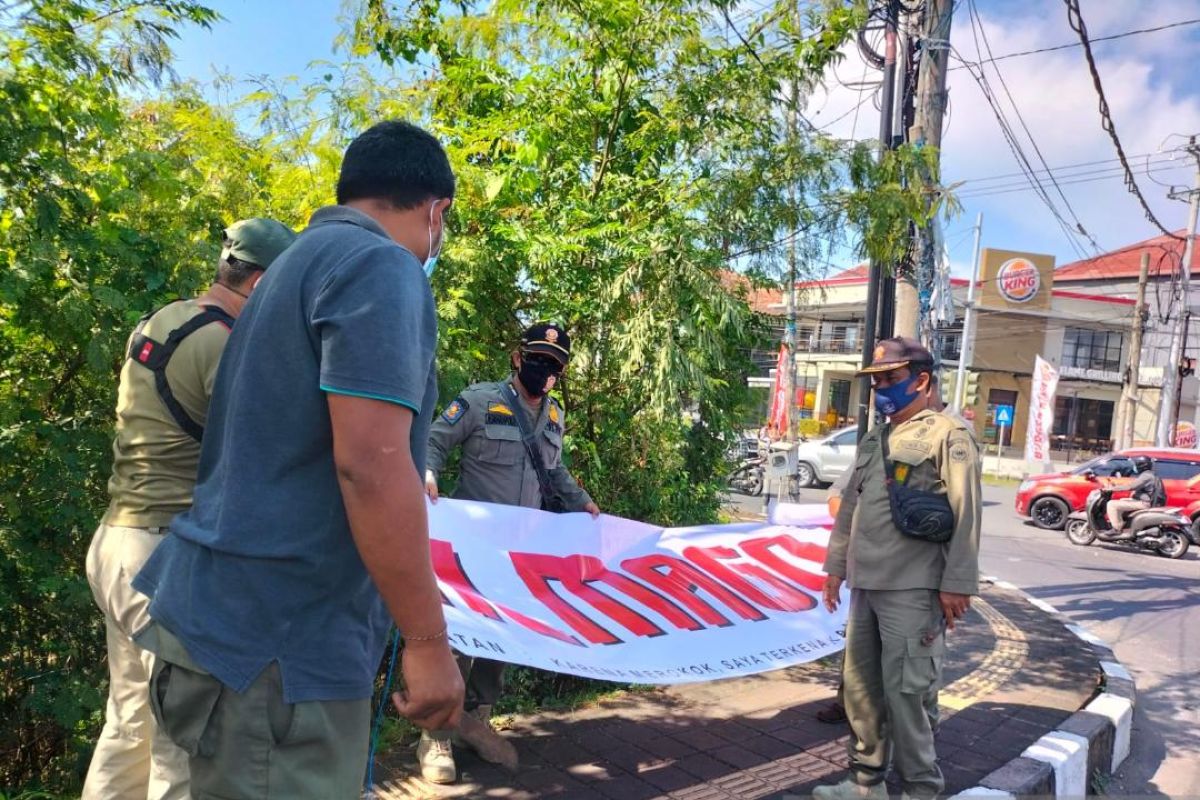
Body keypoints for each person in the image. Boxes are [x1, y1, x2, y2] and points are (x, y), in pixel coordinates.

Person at [131, 120, 465, 800]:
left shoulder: (287, 269)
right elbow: (370, 464)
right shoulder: (378, 266)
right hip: (278, 653)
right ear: (437, 210)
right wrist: (428, 643)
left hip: (224, 630)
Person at [83, 218, 296, 800]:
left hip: (116, 539)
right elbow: (264, 456)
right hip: (164, 558)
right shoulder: (226, 345)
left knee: (129, 720)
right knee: (183, 738)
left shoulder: (163, 320)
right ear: (259, 282)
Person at [420, 322, 599, 783]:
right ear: (518, 358)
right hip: (468, 547)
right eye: (537, 358)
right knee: (458, 635)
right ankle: (437, 734)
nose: (544, 368)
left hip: (520, 552)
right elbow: (433, 442)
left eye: (554, 364)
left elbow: (554, 472)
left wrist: (583, 504)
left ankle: (476, 718)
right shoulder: (479, 401)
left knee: (500, 635)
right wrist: (428, 474)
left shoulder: (555, 415)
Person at [814, 337, 981, 800]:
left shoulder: (949, 434)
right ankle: (865, 782)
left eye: (890, 379)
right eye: (875, 381)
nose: (880, 390)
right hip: (867, 584)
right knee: (860, 690)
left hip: (914, 587)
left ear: (921, 379)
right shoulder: (877, 437)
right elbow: (851, 507)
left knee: (908, 695)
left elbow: (967, 513)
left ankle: (920, 789)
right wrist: (834, 568)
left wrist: (957, 583)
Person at [1106, 455, 1164, 534]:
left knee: (1111, 504)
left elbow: (1131, 487)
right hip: (1147, 501)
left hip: (1145, 503)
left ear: (1141, 466)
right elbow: (1134, 485)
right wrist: (1117, 486)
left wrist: (1112, 488)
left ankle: (1116, 529)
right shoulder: (1149, 474)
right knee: (1122, 500)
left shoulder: (1146, 476)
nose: (1134, 466)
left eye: (1136, 465)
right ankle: (1124, 525)